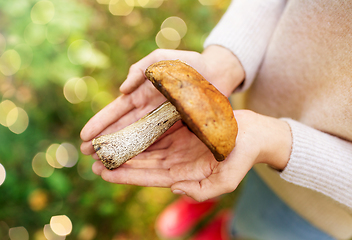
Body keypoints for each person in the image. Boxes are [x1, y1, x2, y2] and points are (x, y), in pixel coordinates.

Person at [80, 0, 352, 239]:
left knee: (260, 226)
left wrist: (277, 143)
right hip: (243, 98)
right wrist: (226, 61)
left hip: (321, 198)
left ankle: (227, 231)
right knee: (202, 161)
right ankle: (199, 200)